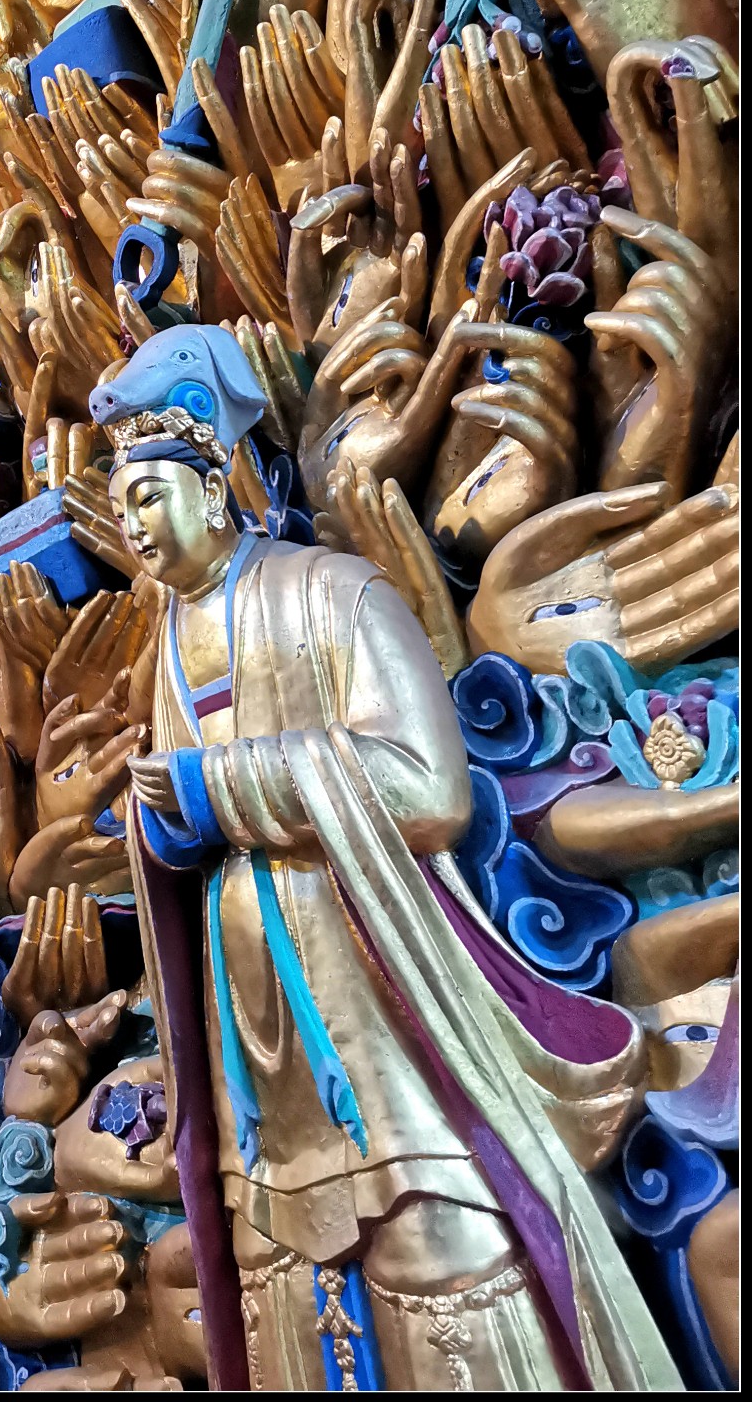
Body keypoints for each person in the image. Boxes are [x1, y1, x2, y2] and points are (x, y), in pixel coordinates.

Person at [90, 324, 680, 1391]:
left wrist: (225, 786)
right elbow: (193, 818)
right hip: (256, 1043)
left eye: (145, 495)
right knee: (284, 1284)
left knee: (440, 1244)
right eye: (118, 502)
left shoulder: (334, 592)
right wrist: (167, 823)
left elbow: (428, 787)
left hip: (374, 997)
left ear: (213, 486)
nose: (130, 524)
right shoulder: (165, 647)